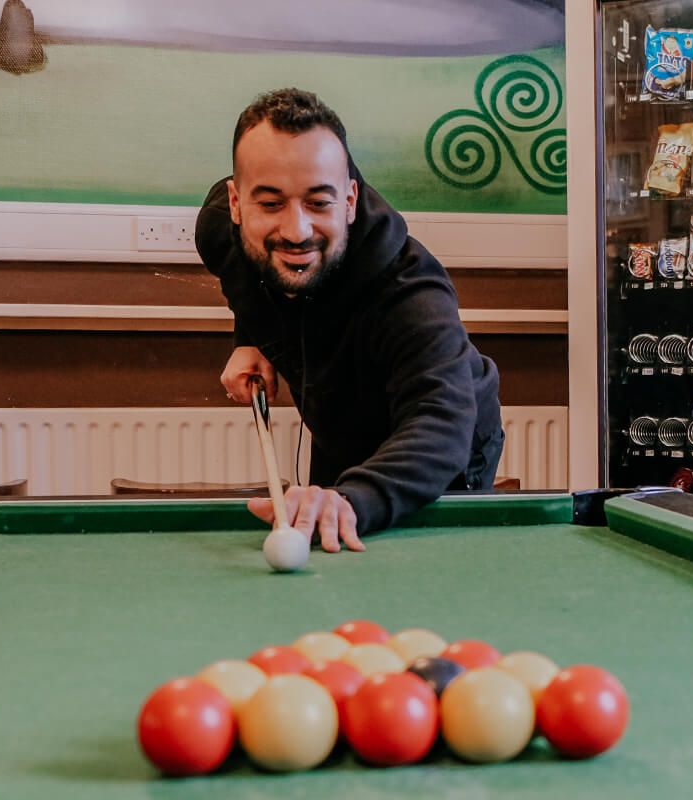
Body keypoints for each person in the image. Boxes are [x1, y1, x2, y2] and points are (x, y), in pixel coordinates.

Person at [197, 88, 503, 554]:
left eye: (319, 202)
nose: (297, 230)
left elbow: (439, 422)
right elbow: (249, 279)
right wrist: (250, 337)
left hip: (437, 447)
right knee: (328, 549)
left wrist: (352, 499)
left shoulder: (411, 293)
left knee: (413, 572)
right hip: (338, 421)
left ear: (350, 199)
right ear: (237, 205)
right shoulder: (220, 231)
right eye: (271, 204)